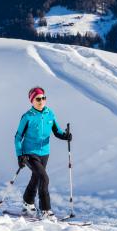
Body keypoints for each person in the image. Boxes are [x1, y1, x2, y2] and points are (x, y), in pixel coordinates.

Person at [14, 86, 72, 220]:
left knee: (36, 177)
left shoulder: (49, 114)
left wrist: (65, 136)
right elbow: (18, 137)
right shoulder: (27, 117)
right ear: (32, 101)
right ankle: (45, 210)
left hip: (44, 152)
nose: (41, 101)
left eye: (43, 98)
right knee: (44, 178)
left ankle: (28, 202)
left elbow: (57, 131)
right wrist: (20, 155)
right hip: (29, 153)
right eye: (38, 99)